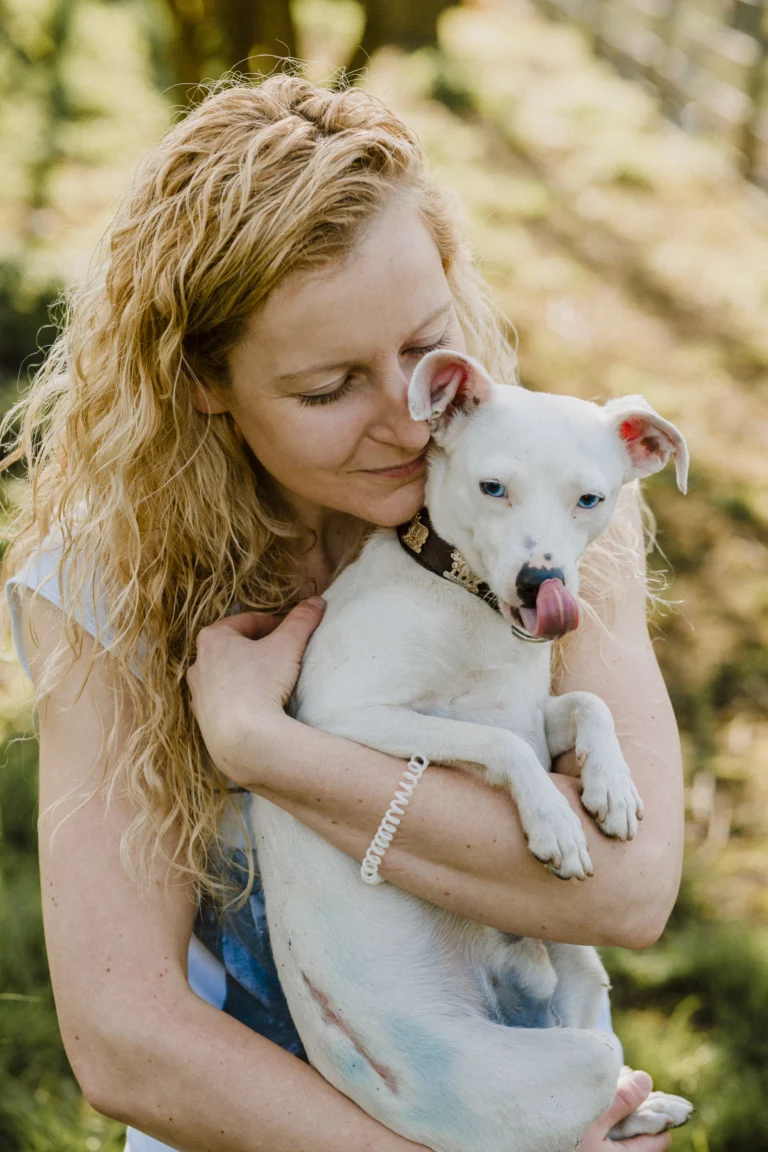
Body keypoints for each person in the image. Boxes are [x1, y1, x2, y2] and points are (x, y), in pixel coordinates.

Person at [1, 75, 684, 1152]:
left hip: (524, 1090)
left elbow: (629, 891)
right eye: (329, 390)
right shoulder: (107, 583)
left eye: (423, 345)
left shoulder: (543, 497)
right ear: (202, 384)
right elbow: (126, 1032)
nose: (410, 423)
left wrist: (261, 746)